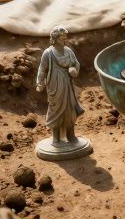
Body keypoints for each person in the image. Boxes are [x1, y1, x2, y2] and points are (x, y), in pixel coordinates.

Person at [36, 25, 88, 153]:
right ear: (55, 38)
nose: (65, 39)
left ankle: (71, 136)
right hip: (54, 86)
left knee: (69, 109)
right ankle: (56, 139)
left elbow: (76, 64)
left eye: (65, 37)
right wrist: (39, 83)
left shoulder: (69, 51)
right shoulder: (48, 53)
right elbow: (42, 69)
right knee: (56, 110)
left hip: (67, 85)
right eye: (62, 37)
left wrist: (74, 71)